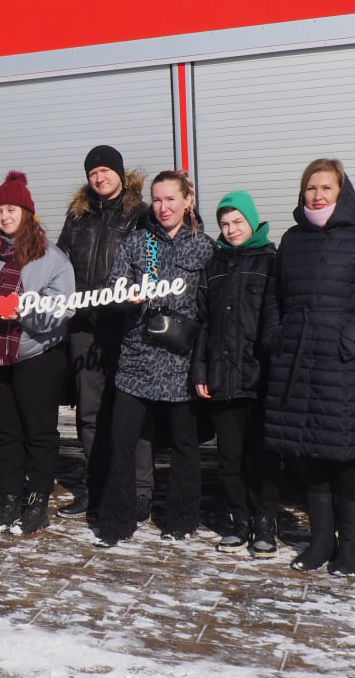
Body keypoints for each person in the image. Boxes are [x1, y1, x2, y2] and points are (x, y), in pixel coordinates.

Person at [262, 159, 355, 576]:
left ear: (342, 192)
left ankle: (351, 546)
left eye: (326, 188)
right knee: (309, 455)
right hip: (298, 362)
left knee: (348, 457)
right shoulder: (292, 239)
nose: (318, 195)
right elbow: (273, 299)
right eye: (311, 188)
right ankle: (320, 541)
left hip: (343, 365)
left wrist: (348, 342)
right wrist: (276, 339)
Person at [93, 170, 213, 547]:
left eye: (171, 199)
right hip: (137, 359)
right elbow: (112, 286)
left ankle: (180, 520)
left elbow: (210, 310)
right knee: (122, 440)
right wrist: (125, 294)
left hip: (181, 363)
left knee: (184, 445)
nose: (163, 207)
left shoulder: (205, 247)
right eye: (157, 200)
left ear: (187, 201)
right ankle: (116, 521)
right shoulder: (137, 243)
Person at [0, 171, 74, 536]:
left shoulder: (51, 257)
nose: (5, 216)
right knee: (5, 433)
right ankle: (9, 499)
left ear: (27, 212)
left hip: (37, 356)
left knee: (38, 434)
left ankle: (37, 502)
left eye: (12, 209)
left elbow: (64, 309)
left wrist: (23, 310)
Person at [55, 145, 152, 522]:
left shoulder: (140, 215)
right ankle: (96, 490)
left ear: (120, 173)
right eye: (93, 172)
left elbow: (155, 262)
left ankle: (140, 492)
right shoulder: (77, 217)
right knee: (90, 414)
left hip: (126, 328)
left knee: (132, 412)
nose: (99, 177)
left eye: (106, 170)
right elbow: (60, 265)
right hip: (84, 329)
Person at [190, 191, 280, 557]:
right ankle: (238, 522)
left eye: (237, 222)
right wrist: (200, 369)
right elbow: (203, 322)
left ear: (251, 220)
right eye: (225, 224)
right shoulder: (214, 264)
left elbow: (275, 319)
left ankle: (264, 524)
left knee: (260, 456)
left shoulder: (271, 261)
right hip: (221, 376)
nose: (231, 230)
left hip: (257, 378)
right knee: (228, 458)